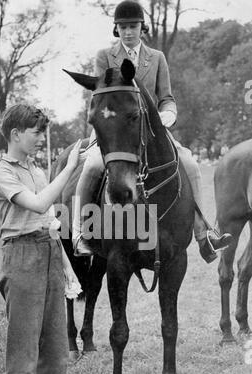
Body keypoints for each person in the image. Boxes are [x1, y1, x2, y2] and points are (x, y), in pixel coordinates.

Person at [72, 0, 231, 263]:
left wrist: (168, 113)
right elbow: (102, 95)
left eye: (133, 26)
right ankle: (82, 232)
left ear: (141, 27)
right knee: (90, 166)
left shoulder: (157, 58)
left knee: (190, 163)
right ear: (117, 29)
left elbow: (166, 97)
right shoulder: (104, 56)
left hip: (151, 129)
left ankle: (204, 235)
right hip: (115, 130)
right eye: (122, 27)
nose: (128, 32)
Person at [0, 104, 82, 374]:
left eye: (42, 132)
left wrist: (67, 268)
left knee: (56, 343)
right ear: (15, 134)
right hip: (22, 256)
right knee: (23, 347)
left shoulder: (37, 170)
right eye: (35, 132)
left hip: (48, 252)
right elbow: (41, 205)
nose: (41, 138)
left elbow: (50, 222)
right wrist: (70, 167)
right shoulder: (2, 173)